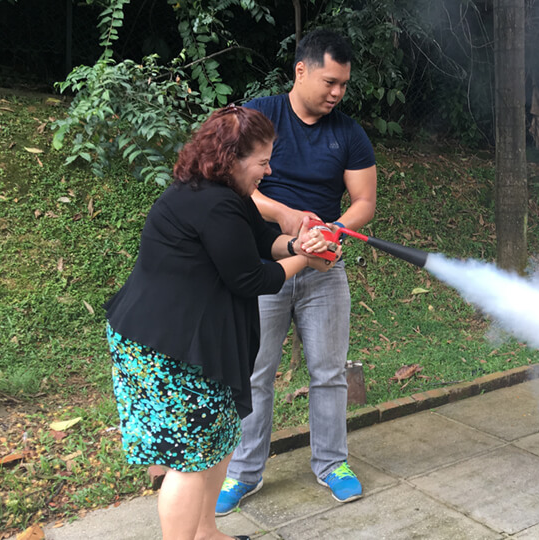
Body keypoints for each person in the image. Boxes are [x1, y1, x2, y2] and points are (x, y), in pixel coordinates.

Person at [104, 106, 337, 540]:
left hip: (193, 341)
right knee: (189, 463)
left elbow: (262, 242)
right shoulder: (212, 203)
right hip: (163, 348)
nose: (268, 171)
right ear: (232, 159)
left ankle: (206, 533)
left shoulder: (226, 192)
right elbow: (250, 278)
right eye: (263, 162)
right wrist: (307, 260)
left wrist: (298, 244)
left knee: (219, 440)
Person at [216, 29, 377, 513]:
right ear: (301, 70)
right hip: (262, 264)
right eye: (330, 82)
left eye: (344, 84)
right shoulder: (259, 116)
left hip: (323, 268)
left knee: (328, 372)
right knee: (254, 372)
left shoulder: (348, 133)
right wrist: (284, 215)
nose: (337, 93)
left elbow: (364, 201)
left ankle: (332, 463)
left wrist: (332, 230)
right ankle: (243, 472)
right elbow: (232, 181)